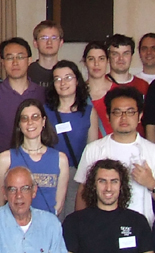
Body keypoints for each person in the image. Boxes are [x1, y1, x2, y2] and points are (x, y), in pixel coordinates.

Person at [74, 87, 155, 225]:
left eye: (130, 112)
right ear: (108, 116)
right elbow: (82, 193)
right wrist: (80, 225)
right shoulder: (93, 149)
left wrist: (150, 183)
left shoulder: (154, 151)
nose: (124, 118)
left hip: (141, 227)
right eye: (117, 112)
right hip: (100, 226)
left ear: (140, 116)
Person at [0, 99, 68, 215]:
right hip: (13, 224)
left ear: (43, 121)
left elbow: (58, 206)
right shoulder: (5, 159)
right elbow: (0, 203)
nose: (30, 122)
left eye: (35, 117)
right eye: (24, 118)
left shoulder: (61, 159)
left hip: (47, 223)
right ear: (19, 124)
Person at [46, 60, 98, 218]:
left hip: (78, 175)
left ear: (77, 80)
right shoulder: (44, 111)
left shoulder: (88, 112)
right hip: (50, 174)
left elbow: (92, 149)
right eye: (57, 79)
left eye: (68, 77)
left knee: (73, 218)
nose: (63, 83)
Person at [0, 38, 45, 163]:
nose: (15, 62)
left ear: (29, 60)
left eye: (20, 57)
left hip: (36, 158)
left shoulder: (42, 93)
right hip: (1, 159)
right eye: (10, 58)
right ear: (3, 62)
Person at [83, 42, 114, 138]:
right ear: (85, 62)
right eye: (91, 59)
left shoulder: (119, 92)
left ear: (107, 61)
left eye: (101, 59)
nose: (96, 64)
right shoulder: (77, 93)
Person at [28, 20, 63, 89]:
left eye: (54, 38)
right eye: (44, 38)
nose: (49, 42)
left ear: (61, 43)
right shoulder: (27, 73)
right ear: (35, 43)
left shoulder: (67, 72)